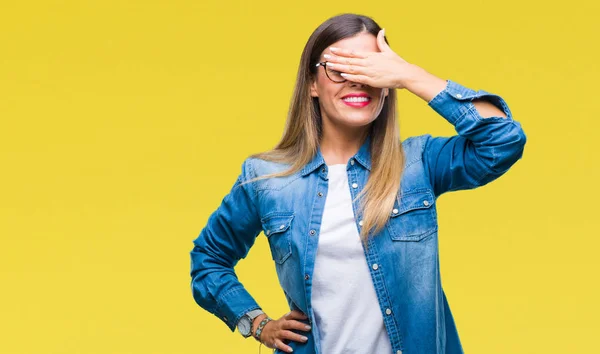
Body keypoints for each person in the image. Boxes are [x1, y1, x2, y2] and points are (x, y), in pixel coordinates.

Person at [189, 13, 526, 354]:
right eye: (340, 68)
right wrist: (257, 323)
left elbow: (503, 140)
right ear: (312, 83)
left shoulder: (418, 163)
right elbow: (208, 260)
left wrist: (409, 76)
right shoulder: (267, 179)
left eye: (370, 69)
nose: (357, 80)